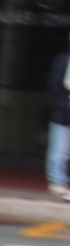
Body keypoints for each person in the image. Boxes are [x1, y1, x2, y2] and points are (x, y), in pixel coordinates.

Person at [47, 44, 70, 203]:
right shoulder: (63, 60)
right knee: (60, 151)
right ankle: (57, 181)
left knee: (61, 151)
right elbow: (55, 84)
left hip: (63, 111)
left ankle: (59, 181)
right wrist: (62, 104)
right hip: (63, 112)